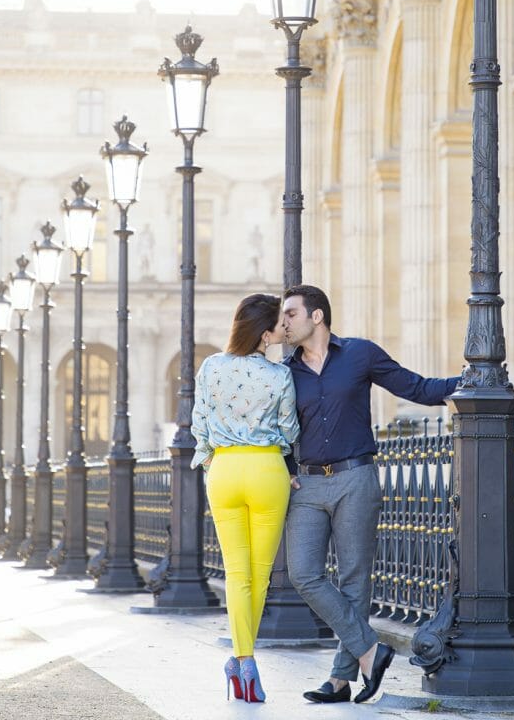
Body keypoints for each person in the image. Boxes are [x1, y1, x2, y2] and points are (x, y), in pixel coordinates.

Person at [282, 284, 460, 704]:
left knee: (354, 579)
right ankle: (371, 650)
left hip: (356, 476)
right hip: (305, 483)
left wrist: (473, 378)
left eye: (290, 313)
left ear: (317, 316)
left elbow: (416, 388)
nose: (284, 322)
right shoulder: (284, 372)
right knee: (303, 573)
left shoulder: (359, 354)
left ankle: (341, 679)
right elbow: (275, 428)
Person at [191, 293, 299, 703]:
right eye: (278, 327)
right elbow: (289, 430)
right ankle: (244, 661)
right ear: (265, 334)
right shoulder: (279, 376)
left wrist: (212, 463)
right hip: (267, 471)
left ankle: (243, 660)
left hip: (224, 472)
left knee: (236, 573)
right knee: (261, 573)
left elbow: (199, 423)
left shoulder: (211, 366)